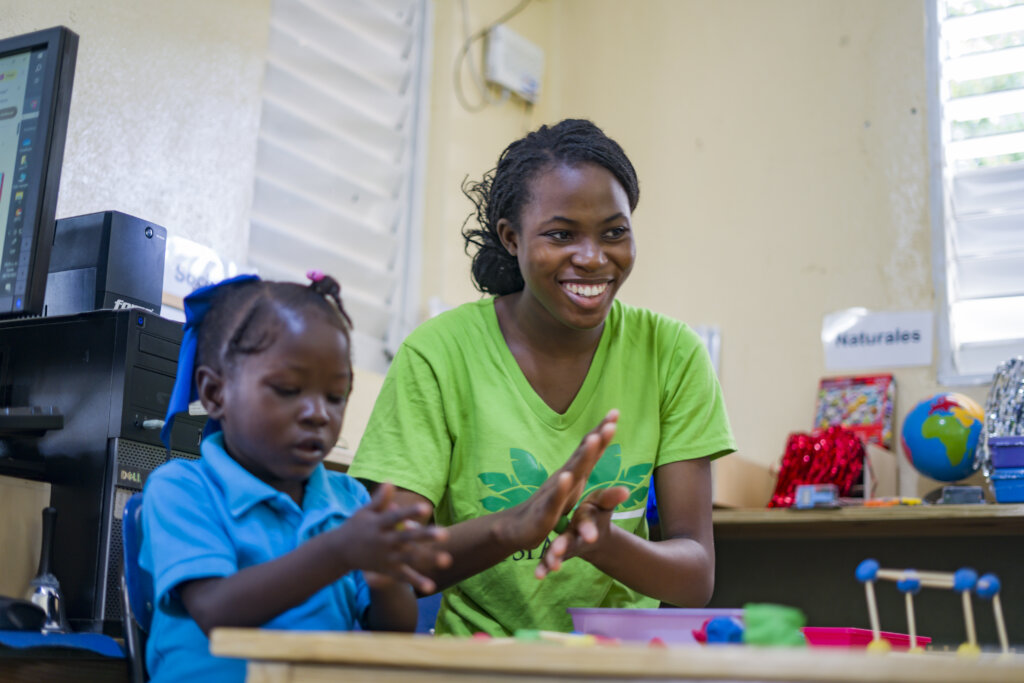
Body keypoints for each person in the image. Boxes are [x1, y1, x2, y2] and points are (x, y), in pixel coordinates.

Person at [349, 118, 737, 636]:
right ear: (511, 238)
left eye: (614, 232)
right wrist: (512, 528)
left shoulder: (672, 354)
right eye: (561, 234)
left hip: (616, 668)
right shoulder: (438, 353)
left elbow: (695, 577)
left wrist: (603, 540)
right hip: (477, 666)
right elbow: (392, 564)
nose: (594, 258)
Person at [141, 273, 451, 682]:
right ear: (215, 395)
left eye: (335, 397)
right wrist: (338, 552)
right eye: (288, 389)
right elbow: (216, 611)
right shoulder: (181, 489)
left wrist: (385, 580)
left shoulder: (349, 500)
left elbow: (392, 630)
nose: (318, 413)